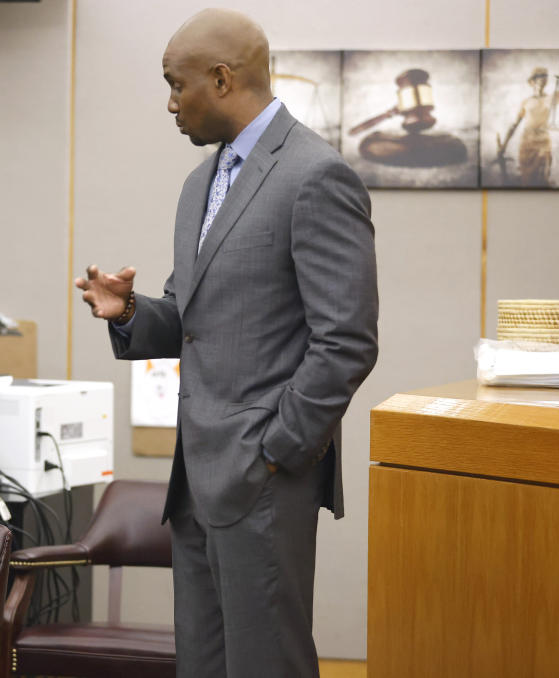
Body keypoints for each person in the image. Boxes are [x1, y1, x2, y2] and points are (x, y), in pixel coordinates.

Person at [75, 9, 378, 678]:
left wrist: (278, 451)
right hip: (197, 479)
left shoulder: (314, 175)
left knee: (266, 663)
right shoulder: (199, 185)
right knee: (206, 665)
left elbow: (347, 341)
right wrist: (129, 311)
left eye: (175, 85)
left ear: (219, 78)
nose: (170, 103)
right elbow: (191, 312)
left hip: (263, 476)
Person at [497, 67, 559, 186]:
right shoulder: (526, 102)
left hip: (543, 141)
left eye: (545, 76)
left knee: (543, 177)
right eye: (540, 76)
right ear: (533, 81)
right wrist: (503, 146)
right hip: (527, 143)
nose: (544, 78)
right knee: (527, 179)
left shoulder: (550, 98)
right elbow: (514, 125)